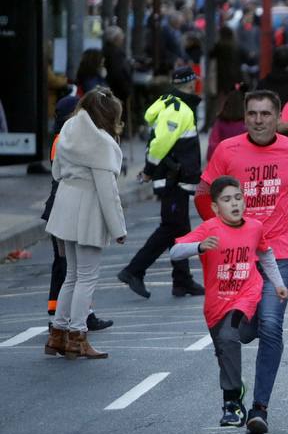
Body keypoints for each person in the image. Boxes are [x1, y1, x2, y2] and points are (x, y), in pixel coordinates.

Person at [195, 89, 288, 434]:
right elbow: (203, 193)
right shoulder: (228, 150)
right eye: (252, 114)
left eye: (265, 114)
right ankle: (233, 391)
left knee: (271, 324)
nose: (258, 120)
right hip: (237, 255)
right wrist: (219, 230)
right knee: (237, 330)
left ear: (279, 117)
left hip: (278, 252)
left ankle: (259, 408)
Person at [169, 176, 286, 426]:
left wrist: (278, 284)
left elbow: (265, 254)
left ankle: (231, 405)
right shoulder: (210, 228)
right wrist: (199, 247)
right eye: (226, 200)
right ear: (214, 207)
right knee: (224, 347)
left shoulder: (254, 227)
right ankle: (237, 389)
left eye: (238, 197)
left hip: (247, 295)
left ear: (244, 200)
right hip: (216, 303)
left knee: (230, 336)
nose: (234, 203)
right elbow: (175, 251)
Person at [44, 88, 128, 359]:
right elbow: (108, 192)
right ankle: (77, 336)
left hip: (65, 203)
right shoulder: (102, 143)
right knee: (87, 276)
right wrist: (119, 229)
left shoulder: (68, 130)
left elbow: (56, 170)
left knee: (71, 275)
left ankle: (57, 333)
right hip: (89, 209)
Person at [119, 66, 207, 299]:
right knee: (170, 228)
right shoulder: (179, 109)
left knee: (181, 230)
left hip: (175, 178)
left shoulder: (173, 104)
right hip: (173, 179)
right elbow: (161, 144)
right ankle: (134, 270)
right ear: (192, 83)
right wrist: (148, 170)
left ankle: (182, 280)